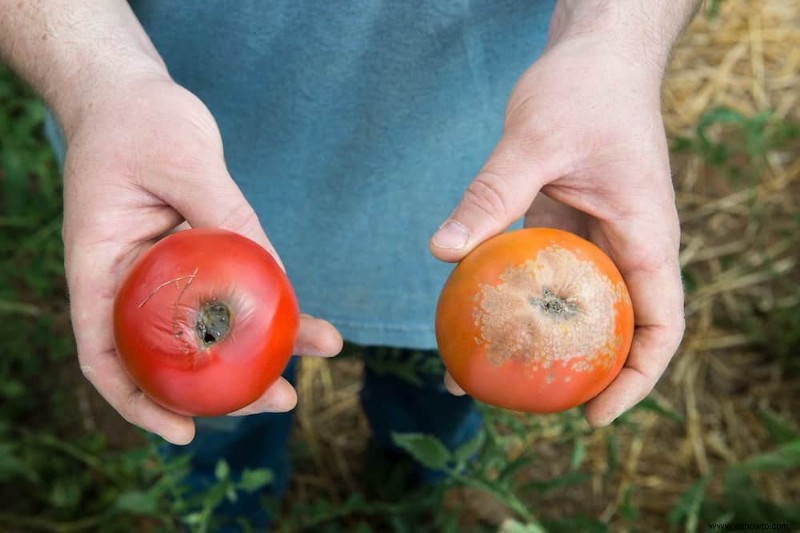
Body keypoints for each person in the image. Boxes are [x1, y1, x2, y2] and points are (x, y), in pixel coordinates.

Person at [0, 0, 695, 528]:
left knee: (433, 397)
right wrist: (94, 75)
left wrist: (615, 46)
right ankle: (227, 506)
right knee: (215, 430)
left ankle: (409, 485)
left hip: (498, 220)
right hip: (165, 183)